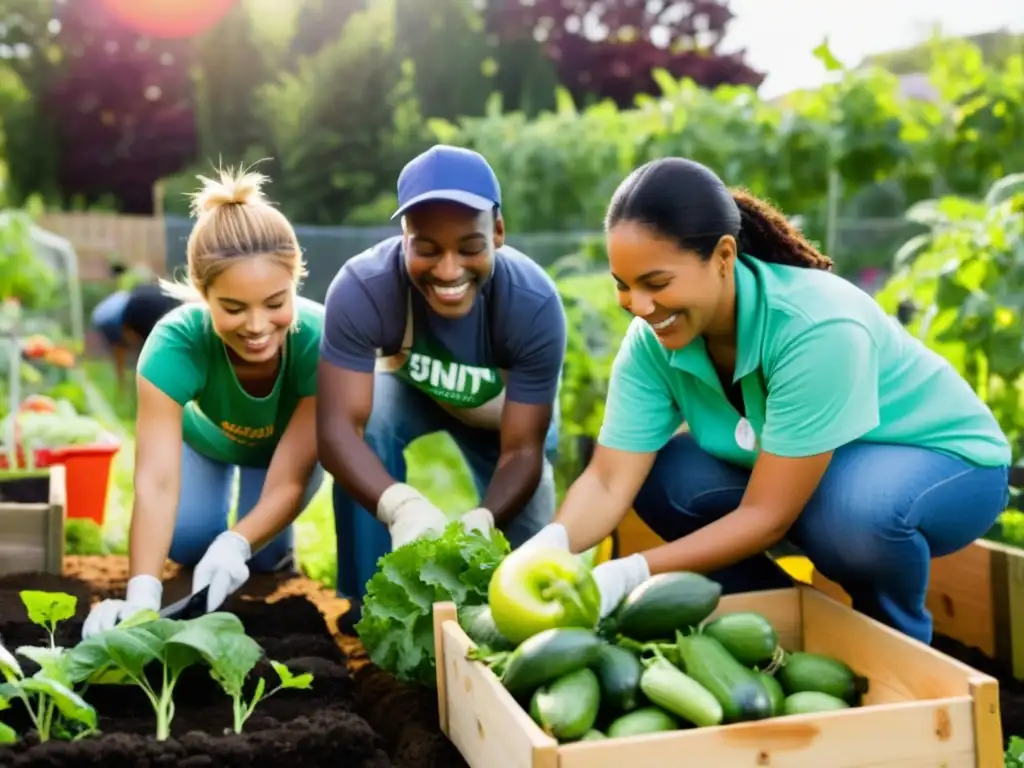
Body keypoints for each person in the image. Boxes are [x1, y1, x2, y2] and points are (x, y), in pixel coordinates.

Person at [521, 157, 1011, 645]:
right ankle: (776, 625)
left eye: (657, 283)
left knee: (853, 513)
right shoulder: (653, 341)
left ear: (723, 256)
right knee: (667, 478)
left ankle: (896, 645)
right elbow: (609, 479)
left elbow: (767, 514)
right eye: (623, 286)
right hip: (814, 476)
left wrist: (632, 572)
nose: (640, 306)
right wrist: (552, 543)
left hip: (948, 468)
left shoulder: (815, 327)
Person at [317, 145, 566, 628]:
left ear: (497, 232)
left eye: (470, 248)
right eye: (427, 249)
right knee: (370, 426)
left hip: (504, 422)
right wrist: (400, 507)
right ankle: (372, 605)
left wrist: (484, 519)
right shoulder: (364, 288)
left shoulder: (531, 304)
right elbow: (336, 433)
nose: (449, 270)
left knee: (528, 566)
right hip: (417, 393)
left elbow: (522, 450)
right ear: (404, 238)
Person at [82, 167, 326, 637]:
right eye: (233, 308)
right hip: (209, 443)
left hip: (281, 456)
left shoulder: (320, 341)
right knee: (186, 542)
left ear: (295, 281)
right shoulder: (174, 344)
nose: (256, 326)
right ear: (202, 294)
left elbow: (292, 478)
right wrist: (143, 596)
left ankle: (269, 547)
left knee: (263, 557)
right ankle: (217, 544)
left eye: (275, 302)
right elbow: (155, 481)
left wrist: (237, 543)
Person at [90, 279, 183, 392]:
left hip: (133, 302)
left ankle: (125, 386)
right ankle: (122, 386)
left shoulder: (159, 316)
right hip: (115, 312)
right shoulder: (109, 322)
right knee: (123, 351)